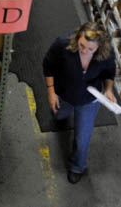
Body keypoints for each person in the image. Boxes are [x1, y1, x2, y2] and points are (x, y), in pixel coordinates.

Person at [42, 21, 116, 184]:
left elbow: (110, 73)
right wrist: (51, 92)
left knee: (82, 138)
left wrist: (109, 90)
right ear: (77, 38)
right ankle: (60, 115)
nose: (84, 50)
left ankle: (77, 167)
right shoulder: (62, 45)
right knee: (59, 114)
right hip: (64, 93)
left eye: (90, 49)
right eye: (82, 45)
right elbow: (48, 65)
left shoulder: (107, 54)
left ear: (99, 47)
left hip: (88, 99)